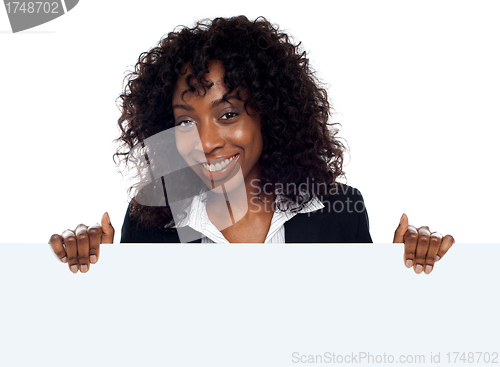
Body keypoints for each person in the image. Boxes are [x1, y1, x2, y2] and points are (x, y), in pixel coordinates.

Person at [48, 16, 454, 274]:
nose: (205, 142)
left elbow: (367, 333)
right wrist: (90, 274)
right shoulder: (151, 221)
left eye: (228, 115)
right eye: (186, 122)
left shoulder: (338, 213)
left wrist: (408, 278)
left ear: (269, 113)